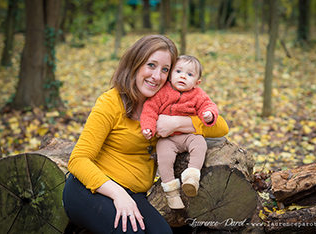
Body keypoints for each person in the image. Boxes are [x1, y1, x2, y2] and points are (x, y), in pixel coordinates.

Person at [62, 35, 229, 234]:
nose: (157, 76)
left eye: (165, 69)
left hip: (135, 194)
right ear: (135, 64)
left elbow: (220, 127)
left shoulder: (166, 104)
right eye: (151, 65)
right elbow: (78, 160)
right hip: (91, 189)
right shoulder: (110, 103)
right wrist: (118, 195)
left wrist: (177, 122)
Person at [140, 55, 218, 209]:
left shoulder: (198, 94)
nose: (183, 76)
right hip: (167, 139)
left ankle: (192, 176)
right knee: (164, 158)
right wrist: (148, 126)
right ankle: (171, 193)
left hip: (189, 136)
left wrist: (209, 115)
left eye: (189, 74)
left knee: (200, 144)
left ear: (197, 82)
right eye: (179, 71)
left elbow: (208, 105)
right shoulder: (162, 92)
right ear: (170, 75)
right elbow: (150, 110)